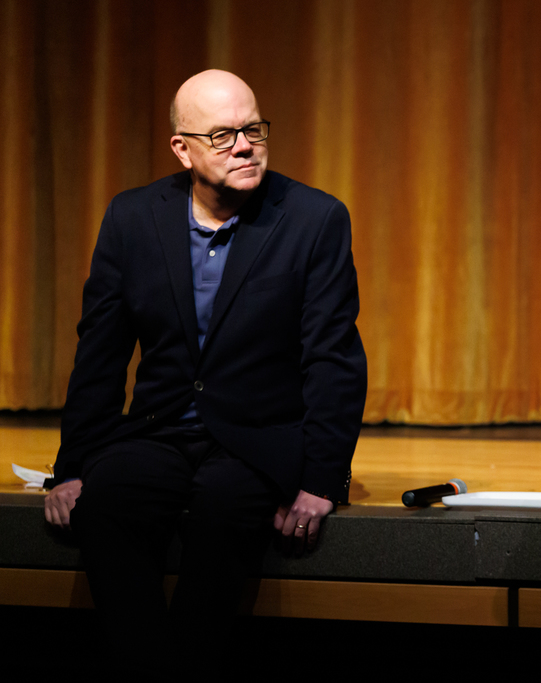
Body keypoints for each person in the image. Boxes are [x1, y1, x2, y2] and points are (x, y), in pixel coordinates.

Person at [42, 69, 367, 678]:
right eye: (222, 136)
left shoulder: (314, 218)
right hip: (159, 428)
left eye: (253, 129)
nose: (244, 146)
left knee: (223, 512)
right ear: (182, 148)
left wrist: (323, 480)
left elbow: (334, 358)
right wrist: (73, 466)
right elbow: (101, 352)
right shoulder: (133, 217)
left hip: (257, 438)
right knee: (106, 501)